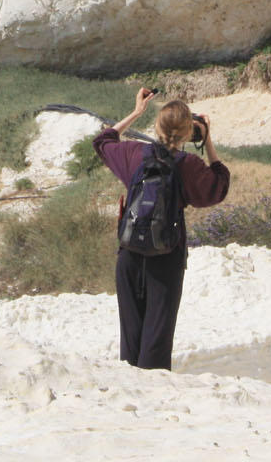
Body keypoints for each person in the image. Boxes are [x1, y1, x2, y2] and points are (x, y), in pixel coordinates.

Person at [92, 87, 230, 370]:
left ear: (156, 127)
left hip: (129, 253)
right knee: (156, 342)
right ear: (188, 133)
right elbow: (219, 185)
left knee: (131, 340)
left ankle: (130, 399)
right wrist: (208, 139)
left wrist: (136, 112)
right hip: (167, 257)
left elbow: (102, 141)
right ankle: (151, 406)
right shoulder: (189, 165)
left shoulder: (134, 154)